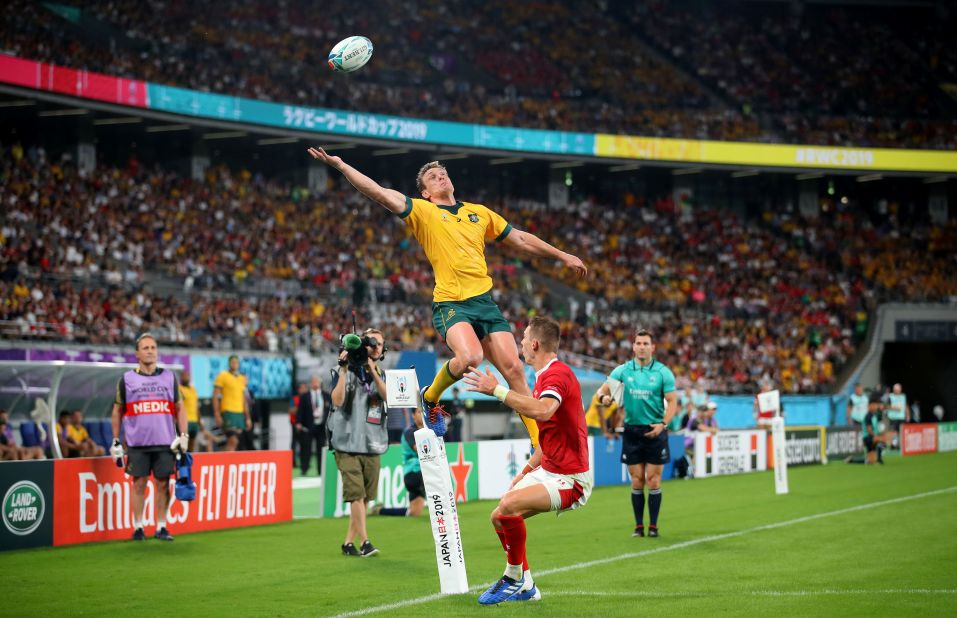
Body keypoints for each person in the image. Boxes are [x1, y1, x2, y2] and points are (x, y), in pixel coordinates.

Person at [306, 147, 587, 448]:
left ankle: (540, 445)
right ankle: (430, 396)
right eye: (432, 177)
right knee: (470, 357)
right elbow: (378, 192)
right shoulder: (423, 212)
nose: (440, 176)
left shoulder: (479, 213)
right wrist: (342, 166)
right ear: (425, 192)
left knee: (515, 369)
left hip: (484, 303)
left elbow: (519, 237)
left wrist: (562, 255)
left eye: (443, 173)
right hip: (451, 304)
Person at [463, 316, 591, 604]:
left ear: (534, 344)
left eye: (523, 338)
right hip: (549, 469)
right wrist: (526, 470)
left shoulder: (557, 375)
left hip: (571, 479)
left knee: (509, 506)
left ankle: (512, 576)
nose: (520, 342)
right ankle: (527, 585)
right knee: (499, 516)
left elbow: (544, 411)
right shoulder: (543, 376)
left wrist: (497, 390)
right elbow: (548, 439)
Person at [595, 329, 678, 538]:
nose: (642, 346)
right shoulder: (623, 371)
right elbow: (601, 392)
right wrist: (603, 399)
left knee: (654, 480)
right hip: (632, 430)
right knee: (637, 480)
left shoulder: (662, 372)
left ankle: (654, 526)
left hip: (655, 428)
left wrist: (663, 424)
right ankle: (639, 526)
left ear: (652, 347)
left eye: (645, 343)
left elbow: (673, 402)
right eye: (638, 343)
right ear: (633, 347)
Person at [110, 333, 188, 541]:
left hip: (166, 442)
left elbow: (180, 409)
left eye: (153, 347)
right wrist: (116, 439)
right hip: (138, 443)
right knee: (139, 484)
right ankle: (138, 527)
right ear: (137, 353)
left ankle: (161, 527)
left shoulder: (169, 377)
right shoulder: (127, 379)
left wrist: (184, 435)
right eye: (145, 348)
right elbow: (117, 411)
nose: (150, 351)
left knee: (163, 484)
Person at [327, 328, 389, 557]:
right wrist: (344, 371)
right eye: (370, 343)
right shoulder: (340, 369)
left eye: (379, 344)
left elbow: (387, 397)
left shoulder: (380, 374)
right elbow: (337, 401)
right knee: (355, 495)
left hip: (372, 443)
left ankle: (347, 544)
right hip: (346, 443)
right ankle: (365, 543)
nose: (374, 346)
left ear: (383, 350)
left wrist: (372, 371)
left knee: (364, 498)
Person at [376, 407, 427, 517]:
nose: (422, 414)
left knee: (414, 512)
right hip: (414, 473)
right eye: (419, 412)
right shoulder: (410, 432)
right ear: (413, 415)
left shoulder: (427, 431)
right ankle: (448, 514)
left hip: (420, 473)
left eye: (424, 411)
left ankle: (380, 510)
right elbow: (422, 452)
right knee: (439, 479)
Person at [213, 355, 251, 451]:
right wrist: (217, 414)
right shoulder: (222, 376)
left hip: (239, 413)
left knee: (236, 442)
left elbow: (244, 400)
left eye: (236, 362)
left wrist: (247, 417)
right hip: (228, 412)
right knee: (232, 440)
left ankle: (227, 462)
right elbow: (215, 396)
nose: (234, 364)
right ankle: (225, 463)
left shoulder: (241, 378)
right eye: (232, 362)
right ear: (229, 363)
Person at [296, 375, 330, 476]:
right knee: (306, 448)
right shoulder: (304, 396)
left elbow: (330, 410)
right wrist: (298, 422)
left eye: (317, 381)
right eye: (313, 381)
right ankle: (304, 469)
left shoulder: (326, 395)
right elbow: (300, 411)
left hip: (321, 426)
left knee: (321, 449)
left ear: (320, 383)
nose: (315, 383)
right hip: (307, 426)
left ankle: (321, 470)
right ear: (311, 383)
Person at [846, 388, 885, 465]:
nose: (876, 406)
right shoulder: (868, 416)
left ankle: (853, 460)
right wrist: (876, 436)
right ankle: (879, 460)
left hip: (872, 437)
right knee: (881, 442)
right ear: (869, 406)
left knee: (870, 461)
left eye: (876, 405)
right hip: (868, 438)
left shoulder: (875, 415)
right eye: (874, 405)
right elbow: (869, 429)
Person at [179, 371, 204, 452]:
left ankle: (189, 460)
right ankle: (181, 459)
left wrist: (200, 422)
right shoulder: (179, 388)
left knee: (192, 443)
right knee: (183, 443)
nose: (186, 378)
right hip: (184, 421)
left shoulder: (193, 390)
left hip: (194, 421)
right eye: (184, 376)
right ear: (181, 378)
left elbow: (196, 407)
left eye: (188, 376)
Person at [886, 383, 911, 448]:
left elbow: (906, 406)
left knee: (901, 432)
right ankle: (893, 445)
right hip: (893, 417)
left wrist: (908, 415)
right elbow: (886, 406)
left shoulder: (903, 396)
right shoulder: (890, 396)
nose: (897, 391)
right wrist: (894, 408)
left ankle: (900, 445)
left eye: (898, 390)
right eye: (895, 390)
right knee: (894, 432)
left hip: (901, 417)